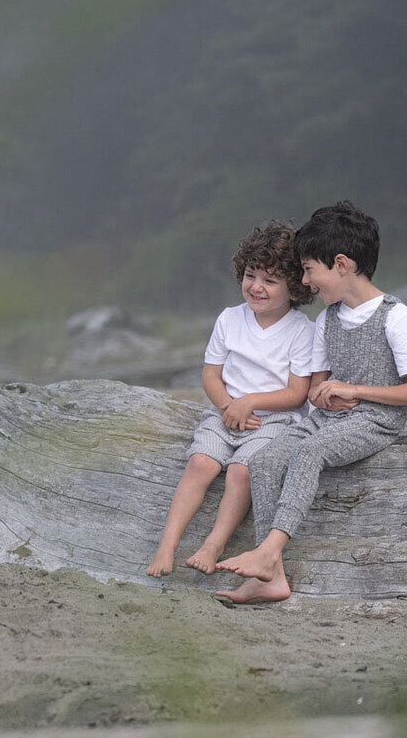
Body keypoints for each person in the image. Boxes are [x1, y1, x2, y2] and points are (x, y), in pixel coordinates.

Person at [215, 201, 407, 603]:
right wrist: (326, 394)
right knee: (263, 460)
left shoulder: (397, 317)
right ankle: (271, 578)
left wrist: (354, 391)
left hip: (376, 420)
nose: (305, 280)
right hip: (333, 418)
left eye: (310, 268)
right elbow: (316, 388)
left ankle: (269, 550)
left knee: (308, 453)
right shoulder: (329, 318)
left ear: (342, 264)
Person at [146, 221, 315, 578]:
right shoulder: (229, 319)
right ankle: (167, 545)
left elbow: (298, 392)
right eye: (251, 275)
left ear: (296, 289)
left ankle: (214, 544)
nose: (256, 287)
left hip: (273, 421)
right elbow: (211, 374)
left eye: (270, 281)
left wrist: (249, 402)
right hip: (224, 413)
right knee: (201, 465)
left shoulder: (302, 331)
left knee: (241, 471)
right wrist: (227, 406)